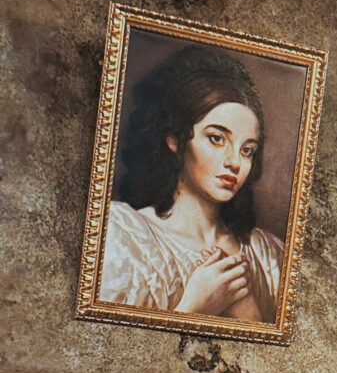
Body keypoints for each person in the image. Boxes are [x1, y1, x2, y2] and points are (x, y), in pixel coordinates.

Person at [99, 45, 284, 323]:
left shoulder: (268, 254)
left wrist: (247, 309)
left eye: (247, 150)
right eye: (217, 139)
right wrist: (195, 307)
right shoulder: (123, 237)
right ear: (175, 139)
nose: (234, 162)